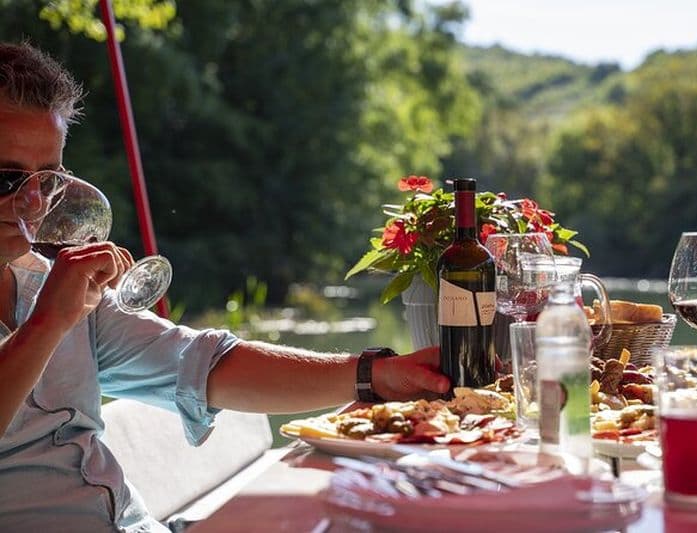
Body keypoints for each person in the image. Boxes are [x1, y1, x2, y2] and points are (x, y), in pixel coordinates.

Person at [0, 41, 449, 532]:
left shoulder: (53, 287)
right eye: (8, 179)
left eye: (48, 181)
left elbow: (202, 363)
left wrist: (381, 373)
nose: (32, 204)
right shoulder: (58, 305)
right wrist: (47, 324)